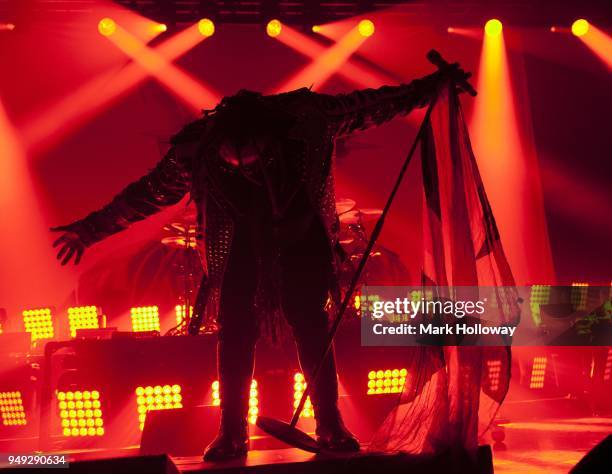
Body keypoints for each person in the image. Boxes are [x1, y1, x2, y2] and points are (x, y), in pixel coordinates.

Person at [51, 64, 470, 461]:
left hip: (300, 238)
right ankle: (231, 430)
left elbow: (373, 105)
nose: (242, 168)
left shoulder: (310, 119)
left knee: (310, 324)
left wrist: (429, 87)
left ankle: (329, 423)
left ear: (270, 140)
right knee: (234, 332)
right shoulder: (198, 148)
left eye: (250, 159)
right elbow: (147, 193)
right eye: (231, 161)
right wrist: (88, 230)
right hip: (236, 247)